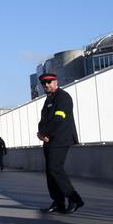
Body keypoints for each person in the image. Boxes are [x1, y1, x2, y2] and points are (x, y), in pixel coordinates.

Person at [36, 73, 84, 214]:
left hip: (61, 139)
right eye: (44, 83)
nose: (46, 85)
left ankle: (75, 198)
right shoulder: (49, 99)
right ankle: (58, 203)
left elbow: (59, 119)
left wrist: (45, 133)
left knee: (55, 168)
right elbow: (43, 120)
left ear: (56, 82)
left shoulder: (63, 97)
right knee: (50, 172)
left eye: (49, 82)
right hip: (49, 140)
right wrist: (41, 133)